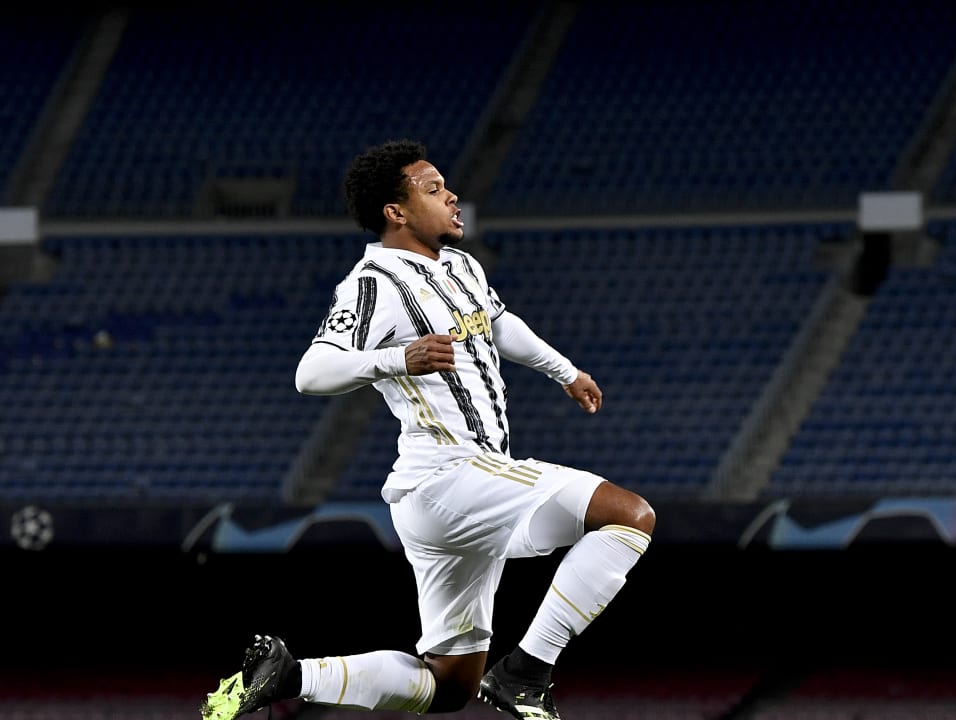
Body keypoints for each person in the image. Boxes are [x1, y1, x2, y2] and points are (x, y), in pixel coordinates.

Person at [200, 138, 655, 720]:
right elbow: (310, 373)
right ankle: (526, 673)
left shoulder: (461, 265)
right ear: (396, 211)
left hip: (448, 498)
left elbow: (498, 323)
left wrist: (565, 371)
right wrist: (397, 358)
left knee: (449, 687)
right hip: (452, 473)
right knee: (628, 515)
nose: (452, 195)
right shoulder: (374, 282)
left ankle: (291, 675)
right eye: (434, 189)